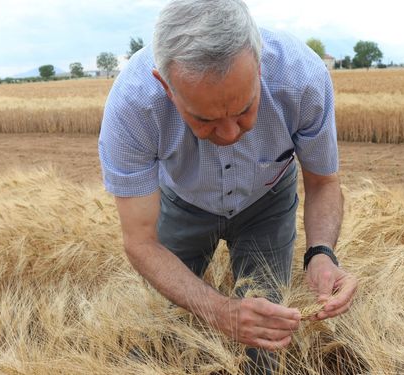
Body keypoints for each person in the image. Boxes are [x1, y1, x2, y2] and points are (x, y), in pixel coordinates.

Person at [98, 0, 357, 372]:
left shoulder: (302, 78)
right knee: (163, 322)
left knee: (267, 335)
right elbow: (141, 241)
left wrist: (321, 253)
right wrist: (219, 310)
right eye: (205, 119)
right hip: (183, 201)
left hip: (267, 201)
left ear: (259, 62)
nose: (230, 134)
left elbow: (323, 182)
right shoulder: (132, 108)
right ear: (165, 86)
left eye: (244, 109)